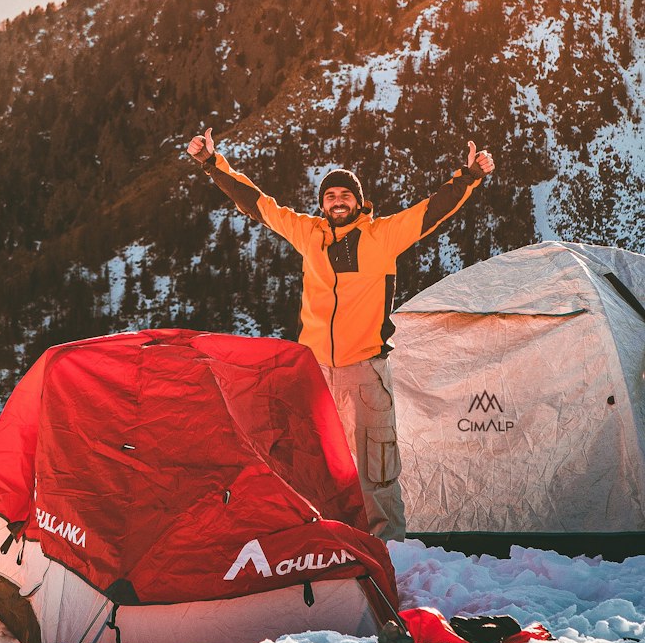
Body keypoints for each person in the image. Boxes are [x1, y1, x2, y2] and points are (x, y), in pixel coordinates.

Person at [186, 129, 495, 541]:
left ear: (358, 201)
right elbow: (257, 203)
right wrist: (213, 163)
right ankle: (326, 545)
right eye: (330, 196)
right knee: (314, 467)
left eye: (344, 195)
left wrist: (470, 175)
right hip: (313, 374)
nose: (337, 201)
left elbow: (431, 210)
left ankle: (389, 551)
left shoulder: (382, 236)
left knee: (375, 469)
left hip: (365, 371)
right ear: (322, 203)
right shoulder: (307, 234)